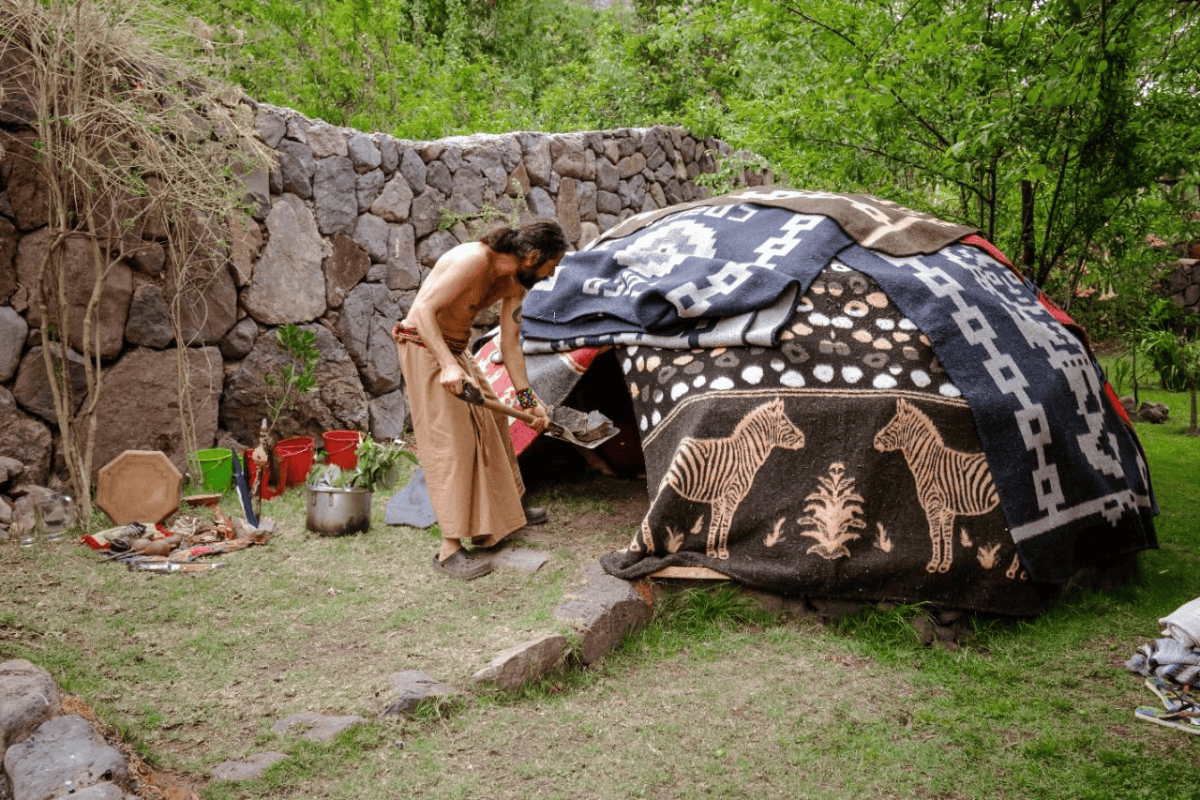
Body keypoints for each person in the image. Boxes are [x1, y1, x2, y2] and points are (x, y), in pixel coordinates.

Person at [394, 218, 568, 580]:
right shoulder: (475, 259)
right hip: (423, 344)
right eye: (551, 266)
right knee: (453, 443)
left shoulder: (515, 282)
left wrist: (527, 399)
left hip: (456, 350)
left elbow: (510, 344)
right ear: (532, 256)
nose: (550, 275)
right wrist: (446, 365)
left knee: (494, 422)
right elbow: (422, 311)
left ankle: (502, 516)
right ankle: (449, 549)